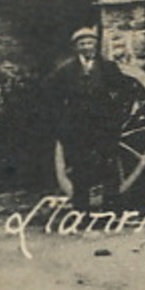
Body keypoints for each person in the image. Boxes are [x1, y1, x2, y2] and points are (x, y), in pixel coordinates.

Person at [46, 27, 125, 208]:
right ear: (76, 48)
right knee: (80, 167)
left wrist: (114, 113)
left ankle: (111, 207)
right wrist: (61, 120)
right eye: (82, 44)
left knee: (107, 164)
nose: (87, 47)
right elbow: (49, 95)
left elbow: (124, 91)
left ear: (96, 45)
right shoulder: (65, 71)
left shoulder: (108, 67)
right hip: (76, 126)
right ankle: (82, 208)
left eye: (90, 43)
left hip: (104, 125)